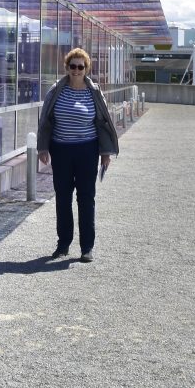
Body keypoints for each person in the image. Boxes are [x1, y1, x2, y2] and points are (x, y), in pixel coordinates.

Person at [36, 47, 119, 263]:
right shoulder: (56, 90)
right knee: (63, 197)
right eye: (72, 66)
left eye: (80, 67)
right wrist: (43, 148)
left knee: (86, 197)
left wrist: (105, 152)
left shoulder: (94, 92)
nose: (76, 70)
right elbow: (46, 121)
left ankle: (87, 247)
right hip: (61, 150)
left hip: (87, 150)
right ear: (67, 67)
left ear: (86, 69)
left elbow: (102, 123)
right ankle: (63, 244)